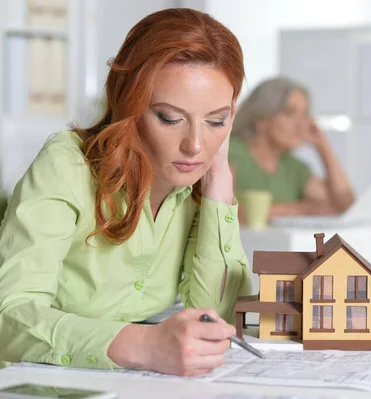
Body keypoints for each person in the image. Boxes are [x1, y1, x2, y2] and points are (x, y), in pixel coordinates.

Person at [0, 8, 252, 376]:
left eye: (216, 120)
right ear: (129, 103)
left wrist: (218, 182)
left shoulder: (196, 184)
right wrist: (143, 345)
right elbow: (9, 315)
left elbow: (215, 322)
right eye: (170, 117)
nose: (195, 145)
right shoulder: (67, 164)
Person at [229, 77, 354, 219]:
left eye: (304, 114)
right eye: (290, 113)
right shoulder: (231, 153)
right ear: (261, 120)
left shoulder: (293, 167)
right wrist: (299, 209)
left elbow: (345, 205)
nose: (301, 124)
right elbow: (226, 214)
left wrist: (323, 147)